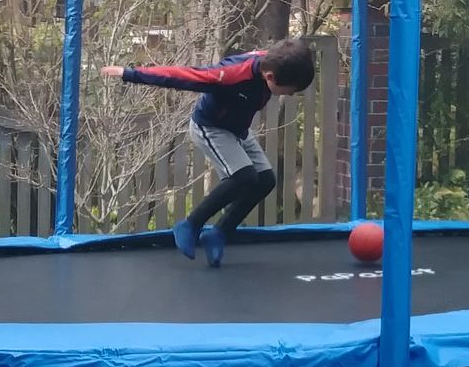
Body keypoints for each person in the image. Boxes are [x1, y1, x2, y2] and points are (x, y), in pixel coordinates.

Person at [101, 38, 317, 266]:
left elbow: (290, 53)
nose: (290, 95)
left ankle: (219, 233)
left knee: (265, 180)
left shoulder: (276, 61)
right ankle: (190, 224)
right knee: (243, 177)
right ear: (271, 77)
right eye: (289, 91)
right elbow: (181, 75)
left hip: (239, 130)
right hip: (210, 127)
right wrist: (129, 73)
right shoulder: (230, 74)